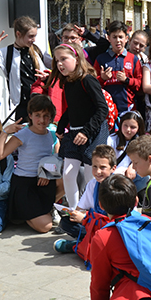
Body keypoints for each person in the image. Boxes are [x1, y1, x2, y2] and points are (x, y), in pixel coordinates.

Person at [53, 43, 109, 209]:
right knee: (68, 174)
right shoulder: (69, 83)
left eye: (64, 59)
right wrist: (61, 126)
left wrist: (86, 131)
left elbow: (102, 108)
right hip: (75, 133)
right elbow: (74, 108)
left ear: (76, 59)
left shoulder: (88, 80)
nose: (59, 64)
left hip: (93, 132)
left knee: (92, 176)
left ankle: (92, 212)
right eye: (57, 60)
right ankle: (74, 212)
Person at [0, 94, 59, 233]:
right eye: (38, 115)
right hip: (25, 184)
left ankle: (45, 209)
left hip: (43, 181)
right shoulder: (23, 134)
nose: (42, 120)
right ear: (30, 115)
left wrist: (46, 174)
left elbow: (56, 158)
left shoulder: (51, 134)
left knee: (68, 177)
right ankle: (26, 214)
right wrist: (5, 132)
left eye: (46, 116)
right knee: (46, 227)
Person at [53, 144, 116, 255]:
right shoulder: (93, 184)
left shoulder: (118, 187)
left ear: (113, 168)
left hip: (112, 229)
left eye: (103, 167)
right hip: (96, 226)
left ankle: (78, 246)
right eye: (94, 167)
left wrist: (85, 219)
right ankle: (88, 243)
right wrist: (75, 214)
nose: (98, 172)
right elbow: (80, 208)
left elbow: (115, 220)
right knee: (66, 223)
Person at [93, 21, 143, 115]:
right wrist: (102, 79)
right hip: (106, 109)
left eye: (121, 37)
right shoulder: (101, 59)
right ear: (109, 38)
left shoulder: (133, 59)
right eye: (114, 37)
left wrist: (126, 80)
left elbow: (139, 84)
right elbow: (92, 83)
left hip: (128, 108)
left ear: (126, 38)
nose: (118, 40)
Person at [108, 110, 146, 189]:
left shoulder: (141, 141)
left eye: (133, 127)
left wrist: (132, 166)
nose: (128, 130)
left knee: (146, 177)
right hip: (114, 175)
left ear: (138, 128)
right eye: (125, 125)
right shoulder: (112, 139)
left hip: (131, 174)